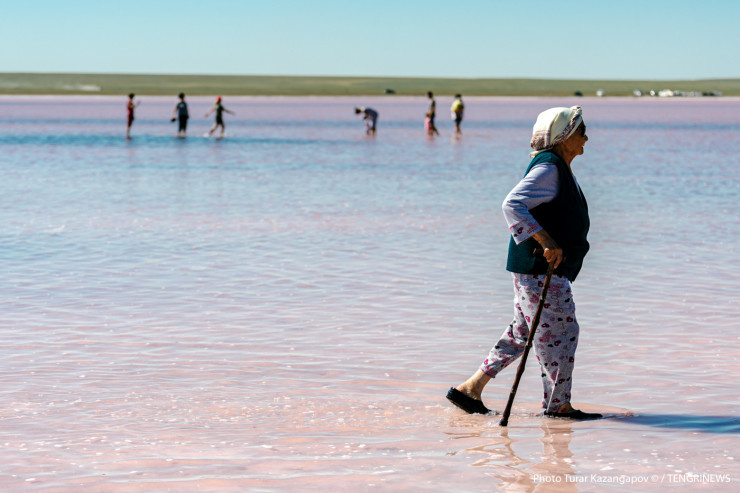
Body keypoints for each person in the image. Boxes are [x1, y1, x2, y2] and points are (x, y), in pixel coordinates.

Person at [446, 106, 602, 420]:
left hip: (535, 270)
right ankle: (558, 406)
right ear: (564, 136)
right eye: (581, 131)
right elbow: (512, 204)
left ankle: (470, 389)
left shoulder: (558, 168)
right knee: (562, 333)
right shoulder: (550, 169)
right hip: (541, 269)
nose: (587, 137)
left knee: (522, 333)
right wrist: (546, 241)